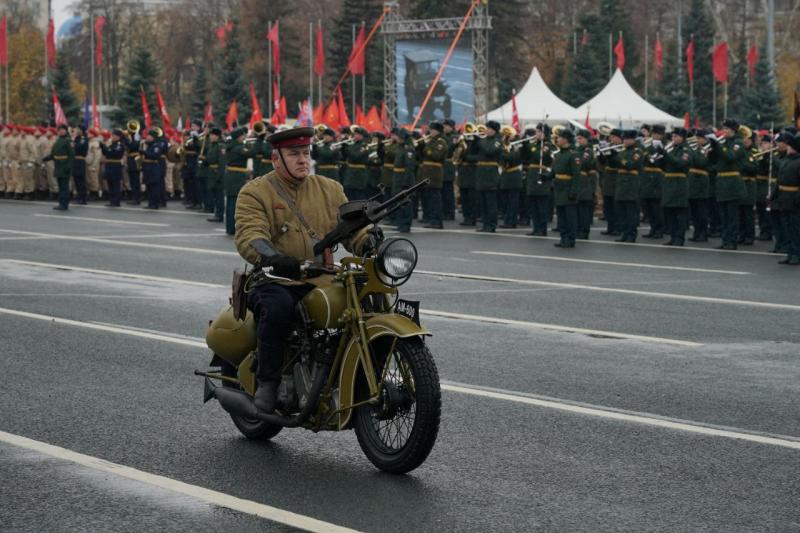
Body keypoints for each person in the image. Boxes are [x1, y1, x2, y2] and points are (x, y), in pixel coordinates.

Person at [234, 127, 372, 412]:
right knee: (278, 309)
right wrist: (273, 257)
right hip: (276, 278)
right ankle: (268, 381)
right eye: (294, 154)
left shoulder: (330, 189)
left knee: (364, 301)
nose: (302, 160)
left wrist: (368, 241)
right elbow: (250, 234)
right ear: (276, 159)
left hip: (323, 277)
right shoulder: (255, 192)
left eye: (306, 153)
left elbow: (351, 229)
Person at [711, 118, 747, 250]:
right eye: (723, 128)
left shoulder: (738, 143)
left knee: (732, 216)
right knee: (724, 215)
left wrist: (718, 146)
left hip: (732, 182)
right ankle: (725, 240)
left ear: (733, 130)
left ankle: (732, 241)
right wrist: (713, 149)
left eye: (726, 128)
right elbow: (715, 161)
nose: (723, 131)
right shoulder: (724, 142)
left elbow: (731, 157)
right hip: (722, 182)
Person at [469, 120, 502, 232]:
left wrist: (479, 140)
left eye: (489, 129)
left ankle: (491, 225)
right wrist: (473, 141)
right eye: (487, 128)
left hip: (490, 174)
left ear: (494, 130)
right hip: (481, 173)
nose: (486, 130)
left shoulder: (497, 141)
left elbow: (490, 151)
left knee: (490, 202)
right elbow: (472, 153)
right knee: (482, 202)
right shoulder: (483, 140)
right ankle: (485, 224)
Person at [661, 127, 691, 246]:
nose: (673, 139)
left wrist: (666, 154)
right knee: (670, 212)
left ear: (682, 137)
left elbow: (680, 163)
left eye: (676, 136)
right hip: (669, 182)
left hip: (679, 182)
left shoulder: (686, 149)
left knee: (680, 213)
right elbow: (664, 166)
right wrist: (660, 157)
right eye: (672, 136)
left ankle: (679, 238)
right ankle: (673, 237)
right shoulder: (671, 148)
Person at [223, 126, 256, 235]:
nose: (244, 137)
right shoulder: (238, 148)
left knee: (230, 202)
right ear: (238, 137)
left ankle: (229, 227)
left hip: (231, 175)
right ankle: (232, 228)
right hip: (236, 177)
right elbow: (252, 153)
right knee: (234, 203)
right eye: (243, 136)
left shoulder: (231, 145)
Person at [550, 129, 580, 248]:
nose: (557, 140)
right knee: (561, 216)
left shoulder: (573, 154)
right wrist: (546, 176)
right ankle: (563, 238)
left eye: (559, 138)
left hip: (568, 189)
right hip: (559, 188)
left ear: (566, 140)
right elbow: (554, 171)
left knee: (570, 217)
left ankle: (570, 239)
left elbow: (576, 175)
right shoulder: (559, 154)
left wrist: (573, 191)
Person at [774, 133, 800, 265]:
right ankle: (790, 253)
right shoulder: (786, 160)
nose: (787, 148)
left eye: (790, 146)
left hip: (794, 199)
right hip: (784, 198)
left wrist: (797, 198)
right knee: (787, 228)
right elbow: (779, 180)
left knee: (795, 229)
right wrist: (773, 195)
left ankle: (796, 254)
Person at [524, 124, 553, 236]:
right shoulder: (535, 144)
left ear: (544, 133)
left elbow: (538, 156)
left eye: (539, 132)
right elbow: (525, 157)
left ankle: (542, 229)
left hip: (541, 175)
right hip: (532, 176)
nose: (536, 134)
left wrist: (529, 146)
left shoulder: (547, 145)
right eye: (536, 131)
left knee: (541, 206)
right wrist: (523, 145)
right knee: (533, 205)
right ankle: (536, 228)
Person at [419, 121, 448, 229]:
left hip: (435, 173)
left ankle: (437, 221)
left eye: (432, 130)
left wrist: (426, 147)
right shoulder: (432, 141)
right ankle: (432, 219)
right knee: (430, 198)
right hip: (428, 172)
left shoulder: (441, 142)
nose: (430, 131)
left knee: (435, 199)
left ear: (437, 131)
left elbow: (436, 156)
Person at [640, 125, 666, 239]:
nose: (655, 136)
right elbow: (644, 158)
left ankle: (659, 230)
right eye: (654, 134)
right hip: (647, 178)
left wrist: (659, 150)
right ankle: (653, 228)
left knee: (657, 207)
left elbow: (661, 162)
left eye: (658, 134)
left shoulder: (665, 145)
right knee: (649, 207)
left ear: (662, 135)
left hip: (658, 178)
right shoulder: (648, 145)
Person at [42, 124, 75, 210]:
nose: (61, 131)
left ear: (66, 131)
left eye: (63, 129)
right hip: (58, 165)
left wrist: (68, 166)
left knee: (64, 186)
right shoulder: (58, 140)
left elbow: (71, 155)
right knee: (60, 185)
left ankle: (64, 204)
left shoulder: (68, 141)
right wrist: (47, 158)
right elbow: (54, 154)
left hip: (64, 165)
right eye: (59, 130)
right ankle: (61, 202)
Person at [393, 129, 417, 233]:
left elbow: (409, 167)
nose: (397, 138)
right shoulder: (399, 147)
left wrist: (405, 182)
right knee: (399, 202)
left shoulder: (408, 149)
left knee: (406, 202)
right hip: (397, 178)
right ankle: (400, 222)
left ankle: (406, 223)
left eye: (399, 137)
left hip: (404, 178)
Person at [575, 129, 597, 239]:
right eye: (577, 138)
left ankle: (584, 231)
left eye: (580, 138)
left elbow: (583, 163)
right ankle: (578, 229)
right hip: (577, 181)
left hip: (584, 181)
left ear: (586, 139)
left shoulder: (588, 151)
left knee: (583, 208)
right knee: (578, 207)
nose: (578, 140)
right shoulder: (578, 150)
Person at [203, 127, 225, 222]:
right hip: (211, 172)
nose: (211, 137)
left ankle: (219, 215)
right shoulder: (212, 146)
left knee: (219, 196)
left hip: (217, 173)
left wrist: (219, 176)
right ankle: (217, 213)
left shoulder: (220, 146)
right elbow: (210, 158)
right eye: (211, 135)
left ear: (217, 136)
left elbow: (222, 162)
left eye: (213, 135)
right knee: (215, 195)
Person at [342, 127, 370, 200]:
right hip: (350, 173)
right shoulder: (352, 144)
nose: (355, 136)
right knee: (349, 195)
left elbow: (356, 156)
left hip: (359, 174)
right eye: (355, 134)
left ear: (362, 136)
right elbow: (344, 157)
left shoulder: (365, 145)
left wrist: (347, 148)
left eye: (357, 134)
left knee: (359, 196)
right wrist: (343, 148)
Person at [99, 129, 126, 207]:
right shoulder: (112, 144)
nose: (112, 137)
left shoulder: (120, 145)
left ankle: (116, 201)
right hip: (109, 165)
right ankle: (112, 200)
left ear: (118, 137)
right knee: (110, 183)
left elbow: (114, 153)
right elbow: (106, 152)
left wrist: (105, 148)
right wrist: (103, 147)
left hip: (115, 165)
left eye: (114, 135)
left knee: (115, 184)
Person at [141, 129, 163, 210]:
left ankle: (155, 203)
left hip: (153, 167)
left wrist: (144, 152)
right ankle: (150, 203)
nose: (147, 137)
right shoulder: (149, 145)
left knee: (154, 187)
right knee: (149, 186)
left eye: (149, 136)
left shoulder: (157, 146)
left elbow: (154, 155)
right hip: (147, 167)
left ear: (153, 137)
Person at [442, 119, 458, 220]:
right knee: (443, 191)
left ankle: (450, 212)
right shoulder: (444, 136)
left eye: (446, 126)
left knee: (448, 191)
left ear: (451, 127)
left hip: (449, 165)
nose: (444, 128)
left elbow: (448, 149)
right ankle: (444, 211)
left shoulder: (454, 137)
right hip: (443, 165)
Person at [72, 126, 89, 204]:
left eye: (77, 129)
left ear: (81, 130)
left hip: (80, 160)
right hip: (74, 160)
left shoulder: (83, 139)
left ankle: (83, 198)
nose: (76, 131)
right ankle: (79, 196)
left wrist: (73, 141)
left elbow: (79, 147)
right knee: (76, 179)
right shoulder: (77, 139)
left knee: (80, 180)